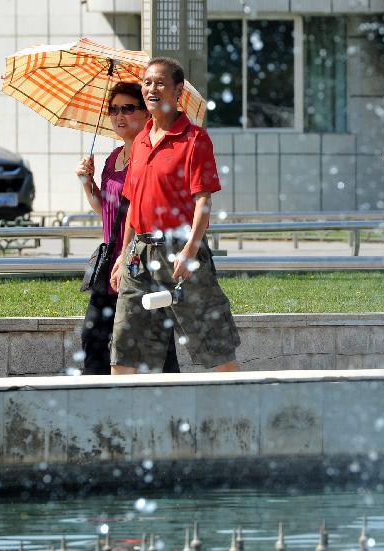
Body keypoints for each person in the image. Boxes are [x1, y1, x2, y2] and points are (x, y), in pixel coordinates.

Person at [109, 57, 240, 375]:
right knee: (125, 348)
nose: (151, 88)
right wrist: (123, 254)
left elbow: (203, 201)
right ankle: (127, 422)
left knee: (213, 344)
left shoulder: (195, 140)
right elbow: (133, 206)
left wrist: (190, 250)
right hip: (139, 254)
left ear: (178, 90)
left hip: (180, 249)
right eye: (147, 82)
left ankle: (237, 410)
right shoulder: (139, 141)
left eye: (159, 83)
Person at [76, 82, 180, 375]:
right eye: (113, 109)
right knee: (93, 338)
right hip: (110, 261)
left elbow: (150, 212)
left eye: (128, 108)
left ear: (147, 113)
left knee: (156, 343)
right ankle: (97, 408)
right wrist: (87, 183)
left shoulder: (151, 158)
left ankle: (172, 405)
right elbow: (106, 209)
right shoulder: (113, 158)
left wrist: (129, 256)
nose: (119, 116)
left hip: (141, 261)